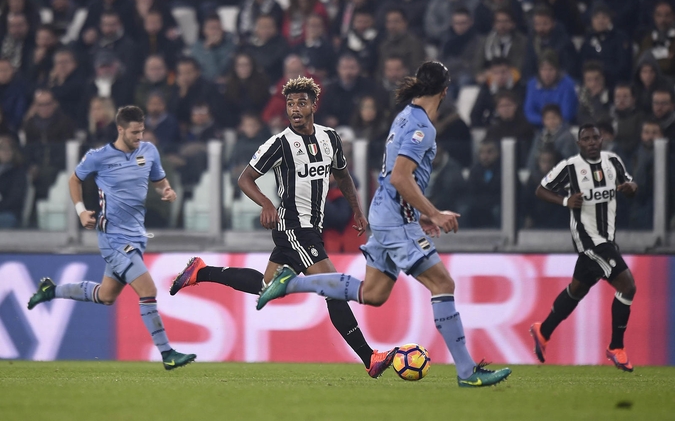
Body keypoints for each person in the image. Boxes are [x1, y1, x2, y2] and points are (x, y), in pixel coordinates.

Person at [256, 61, 512, 388]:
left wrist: (414, 212)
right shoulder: (422, 127)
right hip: (394, 218)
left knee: (373, 293)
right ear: (445, 92)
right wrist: (433, 212)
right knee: (443, 285)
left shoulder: (404, 116)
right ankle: (466, 372)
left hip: (387, 212)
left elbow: (394, 178)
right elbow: (400, 176)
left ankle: (288, 284)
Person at [169, 76, 398, 379]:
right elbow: (244, 178)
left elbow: (342, 176)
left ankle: (201, 271)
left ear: (313, 105)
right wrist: (266, 204)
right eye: (290, 104)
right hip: (293, 227)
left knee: (265, 287)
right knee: (333, 289)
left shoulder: (330, 138)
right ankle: (370, 358)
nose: (294, 109)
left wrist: (357, 210)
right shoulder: (278, 144)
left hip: (311, 228)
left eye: (301, 102)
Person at [26, 105, 196, 370]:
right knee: (148, 290)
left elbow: (159, 180)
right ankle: (167, 354)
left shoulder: (149, 151)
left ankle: (51, 290)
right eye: (134, 132)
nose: (140, 136)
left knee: (106, 296)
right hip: (113, 238)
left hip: (136, 237)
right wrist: (81, 211)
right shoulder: (99, 157)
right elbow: (74, 180)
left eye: (142, 131)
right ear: (120, 129)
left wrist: (168, 190)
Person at [529, 123, 638, 372]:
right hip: (589, 242)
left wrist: (631, 188)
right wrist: (566, 200)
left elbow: (630, 186)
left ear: (602, 140)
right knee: (628, 286)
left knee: (576, 292)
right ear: (579, 144)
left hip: (607, 240)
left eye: (595, 138)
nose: (591, 142)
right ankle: (616, 347)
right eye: (586, 139)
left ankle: (543, 330)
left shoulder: (613, 162)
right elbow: (540, 190)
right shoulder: (570, 168)